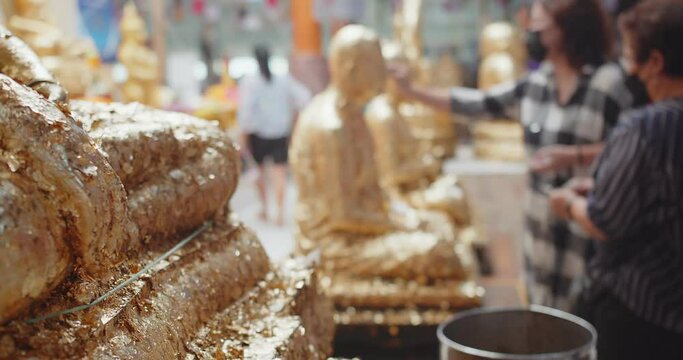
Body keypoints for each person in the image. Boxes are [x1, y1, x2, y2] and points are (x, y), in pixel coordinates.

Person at [390, 0, 640, 311]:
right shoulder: (538, 83)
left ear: (566, 29)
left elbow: (638, 148)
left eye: (540, 23)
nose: (530, 30)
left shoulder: (610, 84)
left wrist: (576, 155)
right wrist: (412, 91)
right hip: (541, 238)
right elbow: (476, 104)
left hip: (590, 236)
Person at [549, 1, 683, 358]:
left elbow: (606, 219)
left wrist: (571, 204)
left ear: (654, 62)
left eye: (629, 52)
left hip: (644, 311)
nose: (627, 65)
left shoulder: (648, 126)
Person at [238, 45, 311, 226]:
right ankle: (279, 212)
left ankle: (265, 208)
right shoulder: (283, 80)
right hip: (280, 133)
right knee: (279, 175)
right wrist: (294, 122)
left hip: (259, 134)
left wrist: (243, 138)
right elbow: (304, 97)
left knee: (259, 173)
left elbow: (246, 113)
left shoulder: (251, 83)